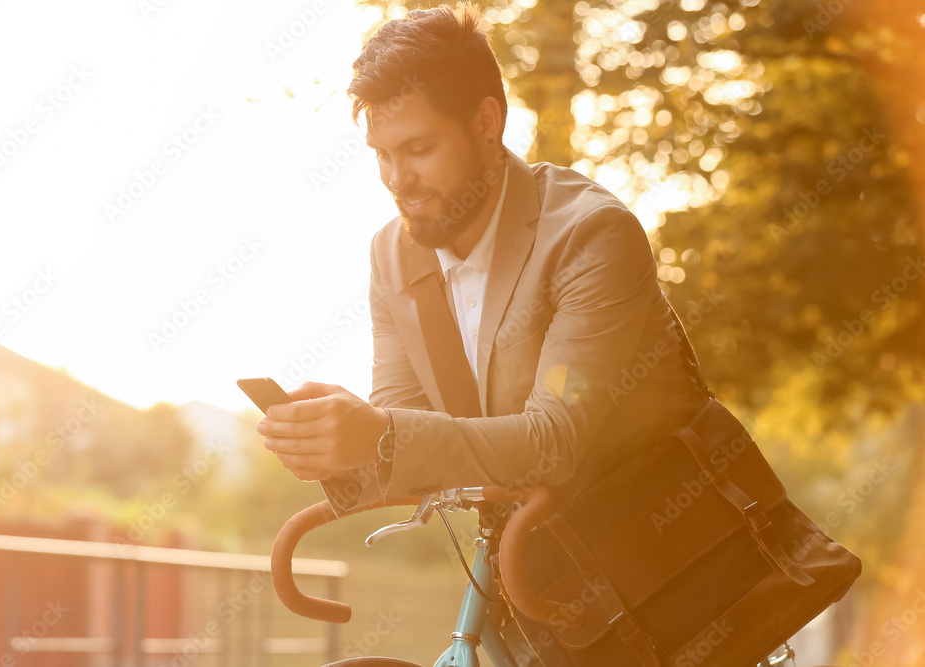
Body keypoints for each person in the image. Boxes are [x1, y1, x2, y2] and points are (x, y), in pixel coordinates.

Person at [258, 0, 704, 520]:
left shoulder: (590, 236)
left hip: (671, 546)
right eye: (382, 154)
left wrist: (381, 434)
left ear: (486, 122)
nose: (397, 179)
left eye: (418, 148)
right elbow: (413, 437)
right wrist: (337, 445)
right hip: (526, 557)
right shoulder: (393, 256)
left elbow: (553, 441)